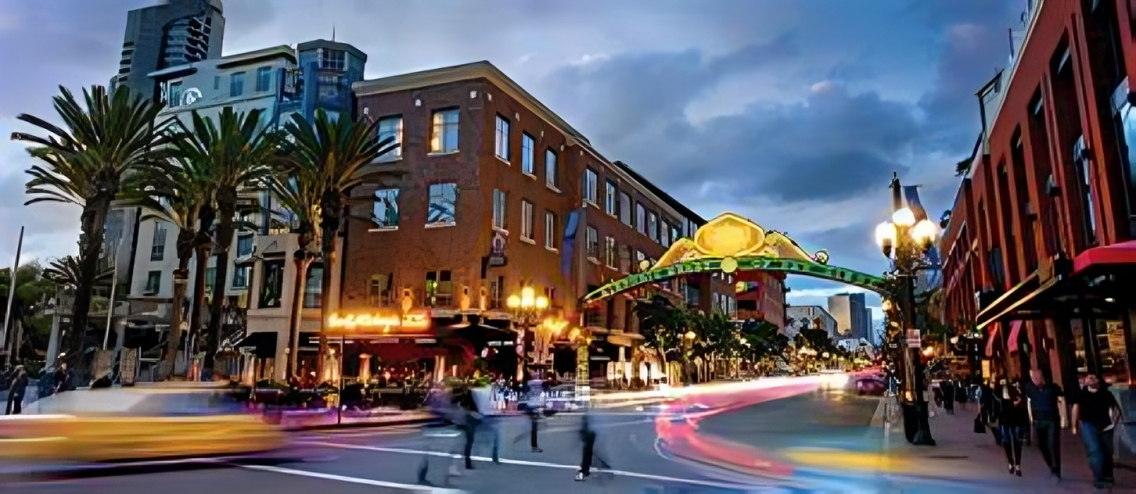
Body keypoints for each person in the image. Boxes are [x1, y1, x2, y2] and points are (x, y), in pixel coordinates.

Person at [1072, 374, 1121, 489]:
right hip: (1088, 425)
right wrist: (1074, 426)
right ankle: (1098, 477)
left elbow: (1114, 408)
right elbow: (1075, 408)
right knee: (1094, 452)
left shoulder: (1105, 393)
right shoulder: (1082, 394)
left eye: (1093, 377)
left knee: (1107, 452)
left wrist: (1115, 421)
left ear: (1099, 381)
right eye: (1088, 378)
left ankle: (1108, 476)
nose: (1090, 379)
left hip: (1106, 425)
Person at [1023, 369, 1063, 480]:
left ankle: (1057, 468)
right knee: (1042, 445)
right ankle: (1051, 464)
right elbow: (1027, 402)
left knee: (1053, 444)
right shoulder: (1029, 388)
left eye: (1036, 377)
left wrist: (1063, 417)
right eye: (1032, 378)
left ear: (1042, 377)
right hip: (1038, 420)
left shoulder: (1052, 388)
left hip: (1052, 420)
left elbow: (1062, 398)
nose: (1035, 380)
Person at [994, 378, 1027, 476]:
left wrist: (1018, 401)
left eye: (1005, 381)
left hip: (1015, 419)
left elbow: (1021, 401)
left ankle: (1017, 465)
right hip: (1004, 420)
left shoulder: (1014, 390)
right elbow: (995, 405)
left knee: (1017, 441)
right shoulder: (997, 393)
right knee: (1006, 441)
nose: (1003, 384)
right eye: (1001, 382)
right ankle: (1010, 463)